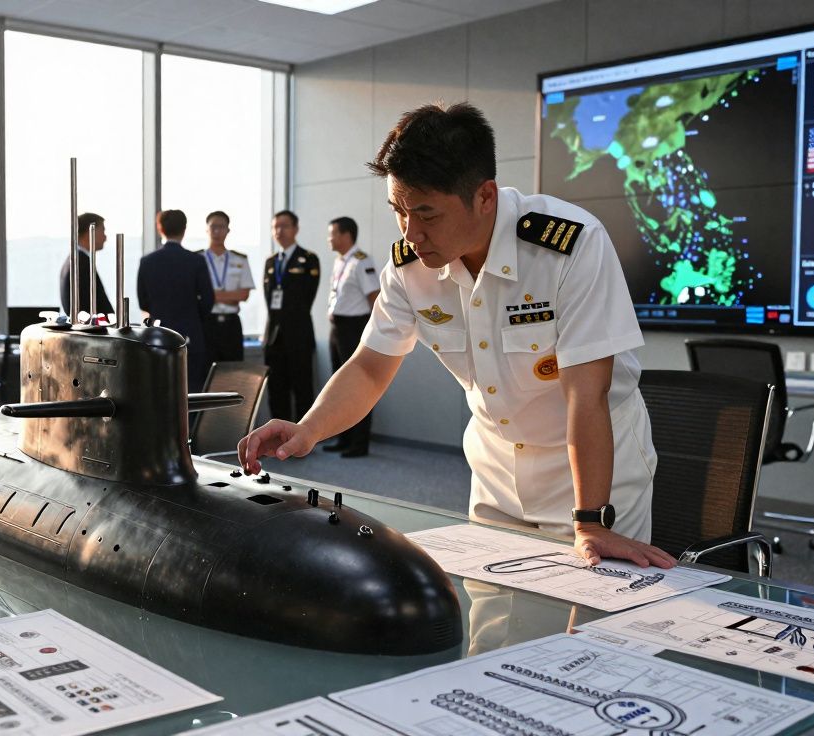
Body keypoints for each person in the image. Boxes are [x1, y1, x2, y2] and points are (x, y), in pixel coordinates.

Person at [239, 103, 675, 570]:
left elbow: (586, 395)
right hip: (494, 473)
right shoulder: (410, 268)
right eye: (398, 211)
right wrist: (309, 428)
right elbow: (370, 366)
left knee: (594, 627)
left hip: (591, 481)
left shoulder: (569, 246)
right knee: (489, 627)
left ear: (485, 196)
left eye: (426, 214)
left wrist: (590, 521)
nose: (412, 232)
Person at [137, 209, 215, 393]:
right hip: (191, 335)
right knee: (192, 391)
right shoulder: (195, 260)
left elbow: (143, 302)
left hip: (159, 335)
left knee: (160, 390)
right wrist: (194, 318)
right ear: (184, 229)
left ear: (159, 228)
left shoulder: (147, 261)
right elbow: (208, 301)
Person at [323, 216, 380, 458]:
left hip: (355, 328)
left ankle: (359, 442)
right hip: (338, 328)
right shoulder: (340, 261)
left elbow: (374, 298)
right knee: (339, 385)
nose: (329, 238)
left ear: (346, 235)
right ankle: (343, 437)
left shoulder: (361, 261)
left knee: (357, 386)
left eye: (333, 233)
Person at [261, 210, 320, 422]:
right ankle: (277, 436)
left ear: (295, 229)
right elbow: (270, 302)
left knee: (302, 387)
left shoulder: (309, 259)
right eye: (275, 226)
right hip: (274, 337)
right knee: (277, 388)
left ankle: (303, 438)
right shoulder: (270, 262)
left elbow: (307, 298)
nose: (279, 231)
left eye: (284, 226)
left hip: (298, 335)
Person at [201, 211, 256, 364]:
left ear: (228, 230)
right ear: (207, 229)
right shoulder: (197, 259)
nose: (217, 232)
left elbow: (244, 295)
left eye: (221, 227)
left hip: (231, 324)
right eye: (213, 227)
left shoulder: (240, 259)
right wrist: (230, 296)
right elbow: (194, 295)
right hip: (206, 323)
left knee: (233, 371)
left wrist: (211, 295)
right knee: (205, 371)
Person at [59, 212, 114, 321]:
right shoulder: (80, 263)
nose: (105, 237)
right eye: (102, 230)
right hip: (94, 333)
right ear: (90, 232)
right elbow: (85, 308)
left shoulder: (76, 260)